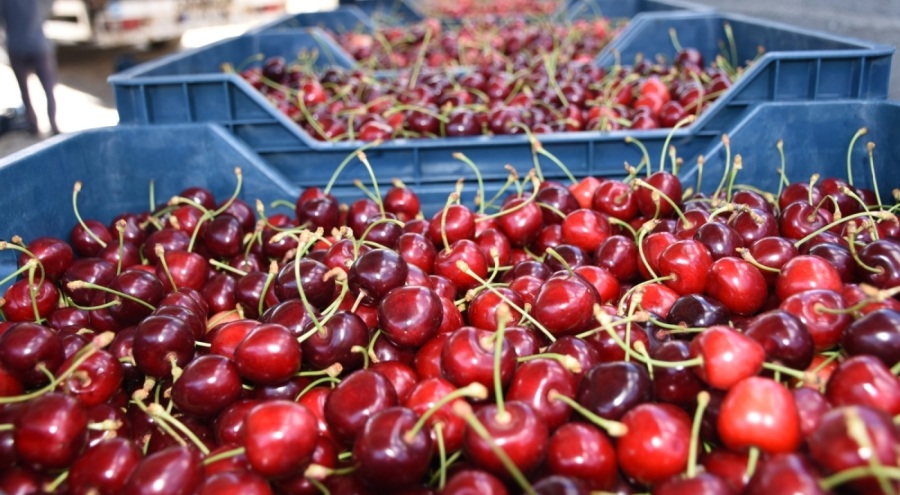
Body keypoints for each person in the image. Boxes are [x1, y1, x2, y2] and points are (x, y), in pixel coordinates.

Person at [0, 0, 60, 135]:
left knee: (25, 91)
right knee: (49, 89)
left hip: (16, 46)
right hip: (38, 45)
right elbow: (49, 7)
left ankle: (33, 126)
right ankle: (53, 126)